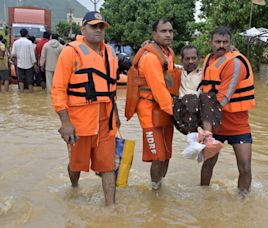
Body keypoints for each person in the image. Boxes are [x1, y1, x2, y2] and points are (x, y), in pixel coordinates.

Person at [51, 11, 119, 205]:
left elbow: (111, 89)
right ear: (83, 29)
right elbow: (58, 90)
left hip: (106, 121)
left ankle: (110, 208)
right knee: (76, 165)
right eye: (94, 26)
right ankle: (74, 188)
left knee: (108, 166)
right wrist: (65, 123)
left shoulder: (110, 52)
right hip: (79, 123)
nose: (98, 30)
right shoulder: (70, 52)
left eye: (101, 27)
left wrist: (116, 115)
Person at [200, 26, 256, 195]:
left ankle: (243, 200)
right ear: (211, 43)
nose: (221, 45)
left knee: (245, 167)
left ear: (230, 43)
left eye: (225, 42)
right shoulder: (209, 60)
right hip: (215, 124)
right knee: (208, 163)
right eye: (217, 42)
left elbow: (222, 99)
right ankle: (203, 195)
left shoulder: (235, 63)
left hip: (237, 125)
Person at [129, 19, 179, 191]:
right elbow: (158, 90)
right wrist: (178, 113)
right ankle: (155, 191)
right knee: (158, 156)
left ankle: (160, 186)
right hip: (150, 111)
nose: (168, 34)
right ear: (154, 34)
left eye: (170, 31)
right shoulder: (150, 57)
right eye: (163, 31)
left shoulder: (169, 53)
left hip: (165, 109)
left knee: (167, 155)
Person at [173, 44, 222, 162]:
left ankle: (206, 137)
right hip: (182, 111)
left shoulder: (204, 73)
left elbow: (222, 67)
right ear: (181, 59)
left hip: (200, 113)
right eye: (187, 59)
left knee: (207, 96)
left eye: (194, 58)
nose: (191, 62)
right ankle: (191, 140)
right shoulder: (176, 71)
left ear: (199, 58)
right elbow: (161, 61)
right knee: (191, 98)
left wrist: (232, 51)